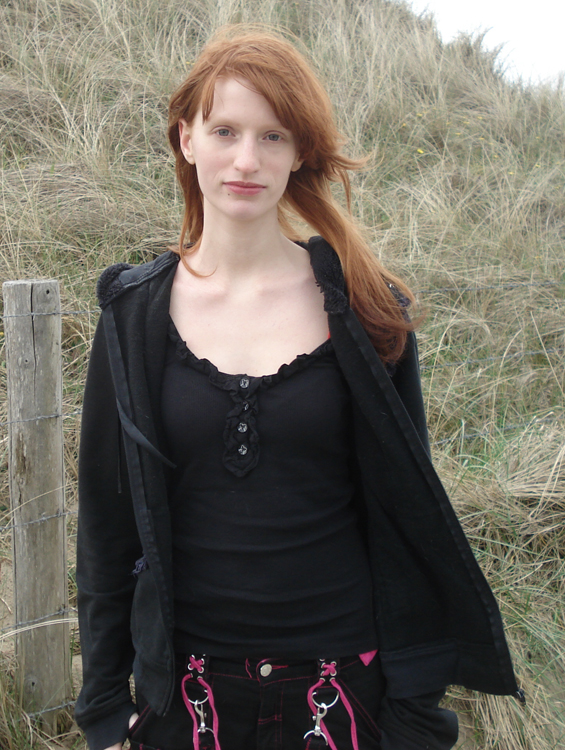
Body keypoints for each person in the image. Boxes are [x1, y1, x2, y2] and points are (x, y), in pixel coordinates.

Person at [75, 26, 521, 750]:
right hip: (186, 699)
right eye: (225, 130)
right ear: (186, 139)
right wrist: (103, 708)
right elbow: (106, 521)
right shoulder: (132, 315)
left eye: (273, 136)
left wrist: (411, 714)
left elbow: (408, 513)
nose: (247, 160)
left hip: (343, 693)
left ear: (299, 152)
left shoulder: (367, 310)